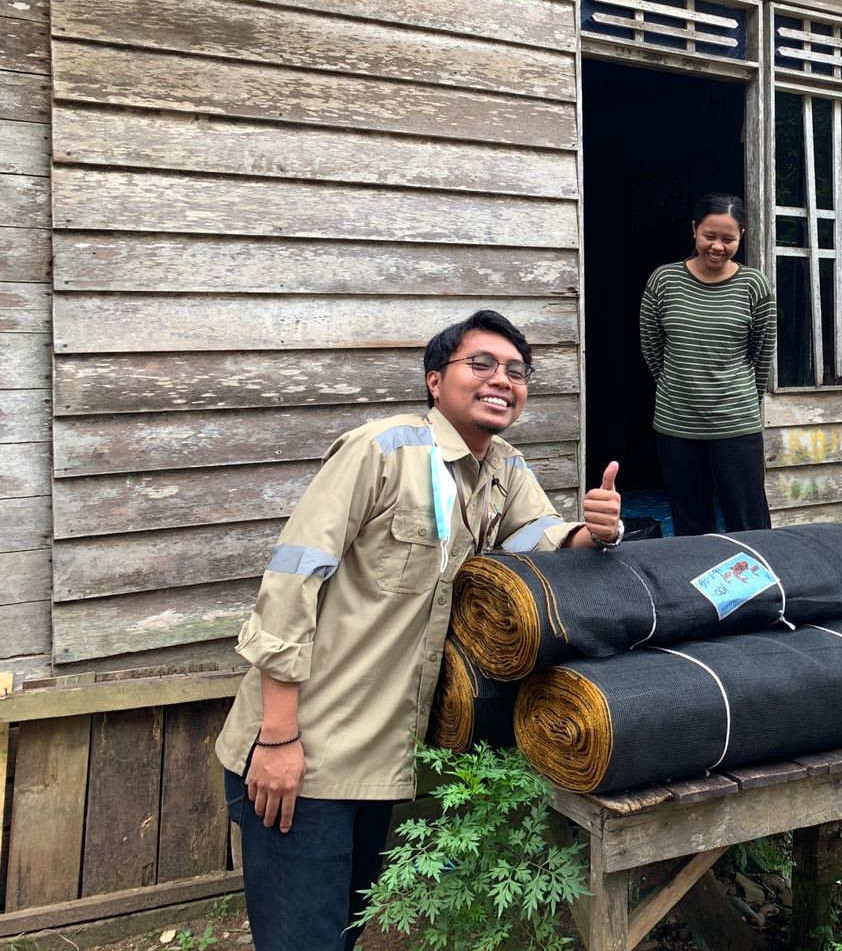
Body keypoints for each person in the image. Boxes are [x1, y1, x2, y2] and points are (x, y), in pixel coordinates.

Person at [213, 309, 624, 951]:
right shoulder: (382, 450)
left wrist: (595, 529)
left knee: (341, 933)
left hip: (379, 761)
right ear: (436, 379)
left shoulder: (504, 471)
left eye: (516, 372)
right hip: (304, 752)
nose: (501, 380)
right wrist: (277, 738)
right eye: (480, 363)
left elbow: (545, 541)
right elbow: (292, 581)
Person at [639, 192, 777, 536]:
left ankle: (764, 589)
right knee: (690, 525)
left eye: (728, 239)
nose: (717, 246)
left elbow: (762, 354)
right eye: (709, 236)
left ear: (741, 236)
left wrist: (742, 397)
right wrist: (679, 384)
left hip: (737, 422)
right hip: (677, 424)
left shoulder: (754, 285)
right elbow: (651, 345)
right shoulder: (664, 281)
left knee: (748, 524)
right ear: (694, 231)